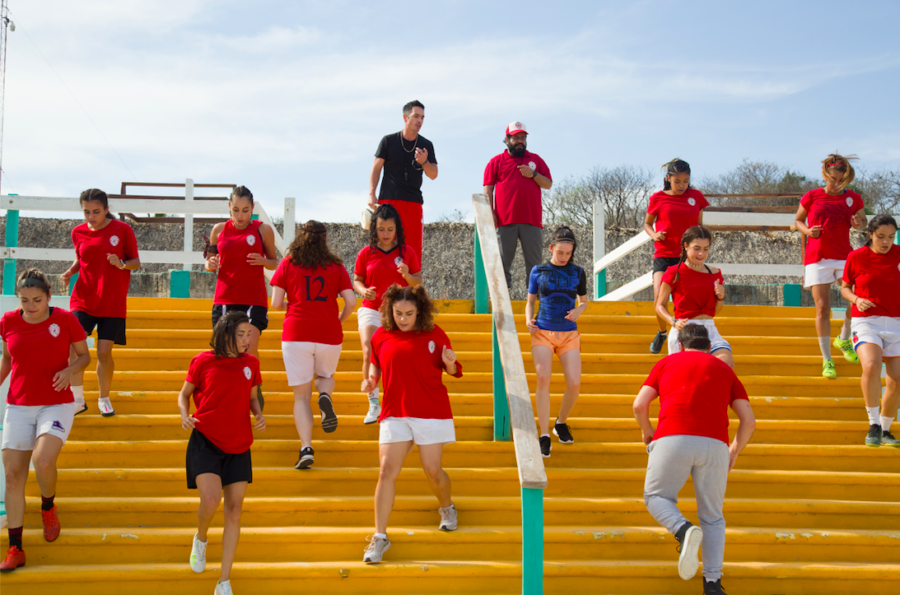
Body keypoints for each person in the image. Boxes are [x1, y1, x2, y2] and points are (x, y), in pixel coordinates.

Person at [633, 324, 756, 595]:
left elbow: (639, 405)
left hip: (672, 437)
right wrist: (733, 452)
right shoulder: (725, 370)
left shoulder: (666, 362)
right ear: (710, 348)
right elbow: (748, 420)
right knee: (713, 517)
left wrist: (647, 431)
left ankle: (683, 529)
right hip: (714, 445)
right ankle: (712, 583)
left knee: (655, 497)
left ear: (680, 345)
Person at [360, 285, 463, 564]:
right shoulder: (381, 335)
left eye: (409, 313)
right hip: (395, 412)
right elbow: (376, 365)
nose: (403, 319)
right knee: (386, 471)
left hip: (431, 410)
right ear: (389, 310)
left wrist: (450, 363)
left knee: (432, 470)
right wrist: (372, 381)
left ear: (420, 311)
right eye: (398, 313)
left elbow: (454, 371)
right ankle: (380, 537)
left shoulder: (435, 333)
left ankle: (447, 507)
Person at [1, 269, 91, 572]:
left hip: (56, 403)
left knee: (42, 460)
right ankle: (16, 548)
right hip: (19, 405)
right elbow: (7, 358)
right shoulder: (8, 321)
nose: (30, 306)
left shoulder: (65, 319)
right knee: (13, 477)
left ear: (49, 296)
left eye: (37, 300)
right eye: (24, 300)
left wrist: (69, 371)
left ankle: (48, 506)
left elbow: (84, 356)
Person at [178, 311, 265, 595]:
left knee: (235, 510)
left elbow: (252, 397)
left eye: (248, 335)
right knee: (212, 499)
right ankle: (201, 539)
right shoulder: (203, 360)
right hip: (206, 439)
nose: (246, 340)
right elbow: (184, 394)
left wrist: (258, 414)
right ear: (225, 334)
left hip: (239, 443)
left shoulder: (251, 363)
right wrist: (184, 414)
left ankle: (224, 580)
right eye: (240, 335)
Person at [270, 221, 355, 470]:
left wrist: (295, 305)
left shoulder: (288, 263)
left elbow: (275, 303)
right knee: (326, 376)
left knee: (301, 397)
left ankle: (306, 448)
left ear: (301, 238)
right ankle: (326, 395)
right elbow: (351, 301)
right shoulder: (336, 266)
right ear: (325, 239)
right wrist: (338, 320)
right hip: (328, 332)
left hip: (296, 334)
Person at [61, 188, 141, 417]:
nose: (91, 217)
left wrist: (121, 263)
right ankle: (77, 399)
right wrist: (70, 271)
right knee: (74, 350)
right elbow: (82, 259)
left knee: (104, 353)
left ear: (107, 209)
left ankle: (104, 398)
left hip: (112, 301)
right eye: (86, 212)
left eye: (96, 211)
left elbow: (136, 262)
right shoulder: (77, 232)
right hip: (82, 298)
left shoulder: (123, 230)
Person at [205, 185, 278, 409]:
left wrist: (263, 261)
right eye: (235, 210)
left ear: (252, 208)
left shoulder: (262, 230)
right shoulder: (218, 230)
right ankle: (229, 389)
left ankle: (253, 390)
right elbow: (209, 262)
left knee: (249, 344)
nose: (240, 215)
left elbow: (275, 262)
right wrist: (210, 264)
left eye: (245, 210)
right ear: (229, 207)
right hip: (225, 297)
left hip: (253, 298)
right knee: (225, 347)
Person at [794, 154, 867, 379]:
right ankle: (827, 359)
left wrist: (858, 223)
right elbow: (798, 220)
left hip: (844, 255)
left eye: (841, 180)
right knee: (823, 308)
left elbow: (862, 221)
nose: (836, 184)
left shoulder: (853, 198)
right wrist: (807, 231)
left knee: (857, 299)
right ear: (825, 175)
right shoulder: (812, 195)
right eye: (832, 179)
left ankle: (843, 338)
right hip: (817, 256)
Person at [353, 204, 422, 424]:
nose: (385, 234)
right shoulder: (366, 252)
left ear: (396, 229)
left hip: (398, 312)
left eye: (389, 229)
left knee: (396, 357)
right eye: (381, 229)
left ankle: (399, 401)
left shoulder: (406, 252)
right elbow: (357, 281)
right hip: (371, 308)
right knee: (368, 348)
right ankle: (373, 403)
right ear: (374, 228)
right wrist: (365, 291)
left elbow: (418, 281)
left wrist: (407, 275)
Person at [525, 227, 588, 458]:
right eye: (560, 252)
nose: (563, 257)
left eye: (568, 253)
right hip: (542, 331)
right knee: (543, 379)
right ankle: (544, 435)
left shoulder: (578, 272)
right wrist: (527, 321)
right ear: (551, 248)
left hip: (569, 333)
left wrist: (579, 310)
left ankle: (560, 423)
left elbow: (584, 302)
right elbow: (530, 302)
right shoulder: (538, 271)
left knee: (574, 384)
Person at [840, 214, 900, 447]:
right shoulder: (856, 257)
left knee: (896, 381)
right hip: (866, 321)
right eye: (881, 236)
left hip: (896, 322)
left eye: (891, 237)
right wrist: (856, 299)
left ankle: (885, 430)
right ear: (870, 235)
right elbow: (845, 287)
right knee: (873, 364)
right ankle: (873, 423)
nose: (886, 242)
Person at [644, 159, 709, 354]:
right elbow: (647, 224)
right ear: (668, 179)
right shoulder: (657, 198)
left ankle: (691, 337)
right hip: (664, 254)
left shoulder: (696, 197)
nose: (682, 185)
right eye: (677, 181)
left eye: (686, 181)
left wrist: (699, 249)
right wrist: (654, 234)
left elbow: (699, 226)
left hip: (687, 256)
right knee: (658, 293)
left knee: (690, 298)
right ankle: (662, 332)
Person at [483, 121, 553, 291]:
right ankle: (502, 297)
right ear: (507, 140)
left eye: (522, 137)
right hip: (505, 220)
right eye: (515, 138)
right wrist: (489, 212)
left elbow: (548, 184)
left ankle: (534, 300)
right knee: (502, 261)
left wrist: (533, 174)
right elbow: (488, 189)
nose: (520, 141)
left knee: (535, 264)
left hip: (532, 220)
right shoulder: (496, 162)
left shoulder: (535, 160)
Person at [367, 100, 438, 259]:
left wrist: (424, 162)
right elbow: (376, 168)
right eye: (416, 116)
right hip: (388, 201)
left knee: (411, 249)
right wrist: (372, 193)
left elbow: (433, 174)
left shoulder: (426, 144)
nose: (420, 121)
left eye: (422, 117)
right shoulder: (388, 141)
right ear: (405, 118)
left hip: (413, 203)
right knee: (383, 246)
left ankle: (411, 285)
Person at [656, 226, 734, 368]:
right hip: (686, 330)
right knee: (687, 374)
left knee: (725, 364)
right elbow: (659, 305)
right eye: (697, 248)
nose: (701, 253)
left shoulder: (715, 273)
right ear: (686, 246)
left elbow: (715, 312)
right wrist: (673, 322)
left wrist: (720, 297)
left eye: (706, 249)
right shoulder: (673, 272)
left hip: (710, 329)